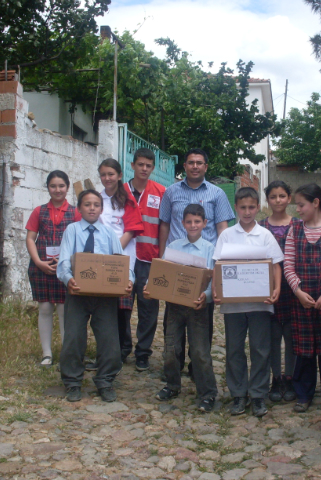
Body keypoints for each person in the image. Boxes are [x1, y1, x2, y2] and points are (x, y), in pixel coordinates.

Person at [159, 148, 235, 372]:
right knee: (173, 315)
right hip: (176, 261)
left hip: (204, 261)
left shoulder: (217, 194)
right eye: (191, 162)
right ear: (184, 166)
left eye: (199, 163)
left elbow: (222, 228)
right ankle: (173, 362)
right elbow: (164, 224)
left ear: (206, 167)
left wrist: (221, 260)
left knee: (202, 313)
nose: (195, 166)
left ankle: (197, 365)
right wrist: (162, 257)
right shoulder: (170, 192)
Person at [57, 189, 134, 403]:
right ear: (79, 208)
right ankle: (73, 382)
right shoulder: (72, 230)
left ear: (101, 209)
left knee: (109, 339)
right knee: (73, 337)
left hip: (104, 295)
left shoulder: (109, 233)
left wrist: (129, 280)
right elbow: (64, 260)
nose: (92, 208)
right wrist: (67, 279)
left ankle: (105, 380)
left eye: (96, 205)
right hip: (77, 292)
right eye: (87, 204)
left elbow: (120, 261)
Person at [212, 187, 283, 417]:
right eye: (242, 207)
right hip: (233, 305)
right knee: (234, 349)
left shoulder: (265, 235)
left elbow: (275, 266)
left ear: (258, 207)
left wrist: (277, 288)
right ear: (236, 208)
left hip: (260, 303)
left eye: (252, 207)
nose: (247, 211)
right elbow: (217, 266)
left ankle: (259, 395)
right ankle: (239, 394)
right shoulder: (227, 235)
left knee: (260, 350)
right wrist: (216, 289)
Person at [146, 204, 218, 412]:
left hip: (198, 307)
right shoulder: (174, 247)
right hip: (175, 307)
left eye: (197, 221)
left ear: (205, 223)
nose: (193, 225)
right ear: (182, 223)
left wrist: (205, 297)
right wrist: (152, 288)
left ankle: (208, 393)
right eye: (189, 221)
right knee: (171, 348)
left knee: (199, 351)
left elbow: (214, 281)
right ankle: (172, 384)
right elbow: (164, 275)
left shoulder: (210, 249)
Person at [283, 184, 321, 415]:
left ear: (316, 203)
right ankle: (304, 394)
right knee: (304, 349)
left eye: (301, 204)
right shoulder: (294, 230)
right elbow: (288, 264)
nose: (298, 209)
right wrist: (298, 292)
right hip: (302, 301)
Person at [25, 170, 82, 367]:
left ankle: (66, 353)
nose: (57, 190)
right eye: (53, 186)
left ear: (67, 188)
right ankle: (46, 353)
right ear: (48, 187)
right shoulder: (39, 211)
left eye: (61, 186)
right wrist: (38, 262)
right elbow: (30, 238)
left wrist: (67, 262)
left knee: (64, 310)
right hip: (41, 266)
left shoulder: (75, 212)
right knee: (45, 308)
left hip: (65, 267)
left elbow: (78, 241)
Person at [97, 158, 145, 370]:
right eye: (103, 174)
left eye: (111, 174)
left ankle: (124, 348)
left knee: (122, 308)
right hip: (99, 259)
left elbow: (132, 229)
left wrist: (114, 251)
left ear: (118, 176)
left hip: (122, 257)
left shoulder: (126, 200)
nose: (107, 178)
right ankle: (107, 349)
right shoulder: (95, 199)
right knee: (104, 307)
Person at [123, 148, 166, 372]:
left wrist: (163, 257)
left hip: (151, 258)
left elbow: (165, 226)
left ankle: (143, 353)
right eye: (140, 165)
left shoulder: (161, 192)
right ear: (132, 165)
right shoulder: (121, 192)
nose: (144, 169)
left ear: (153, 168)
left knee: (149, 308)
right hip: (125, 258)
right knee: (122, 306)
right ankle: (122, 348)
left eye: (148, 166)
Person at [258, 180, 298, 403]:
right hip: (268, 288)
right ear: (267, 200)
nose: (278, 201)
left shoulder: (299, 225)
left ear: (289, 198)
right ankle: (275, 378)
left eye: (282, 196)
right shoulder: (261, 227)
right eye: (273, 197)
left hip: (292, 289)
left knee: (291, 336)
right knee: (272, 337)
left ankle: (290, 377)